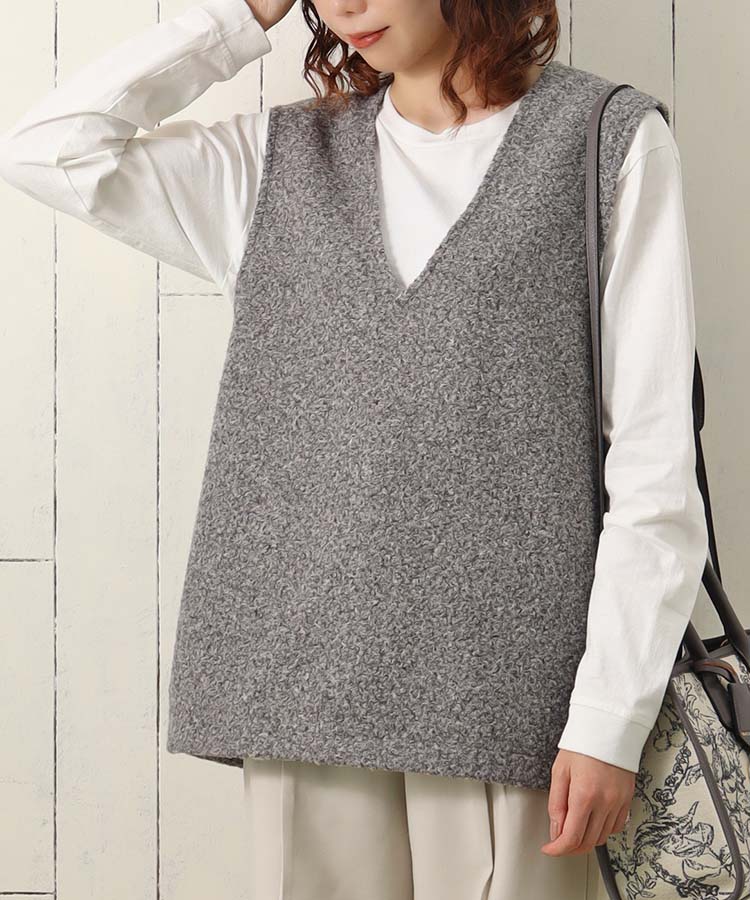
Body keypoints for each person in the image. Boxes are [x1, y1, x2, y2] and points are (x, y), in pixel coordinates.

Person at [0, 0, 709, 897]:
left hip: (512, 701)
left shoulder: (607, 142)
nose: (344, 5)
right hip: (301, 690)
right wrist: (237, 17)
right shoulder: (274, 159)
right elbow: (49, 150)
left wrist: (610, 719)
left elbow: (653, 466)